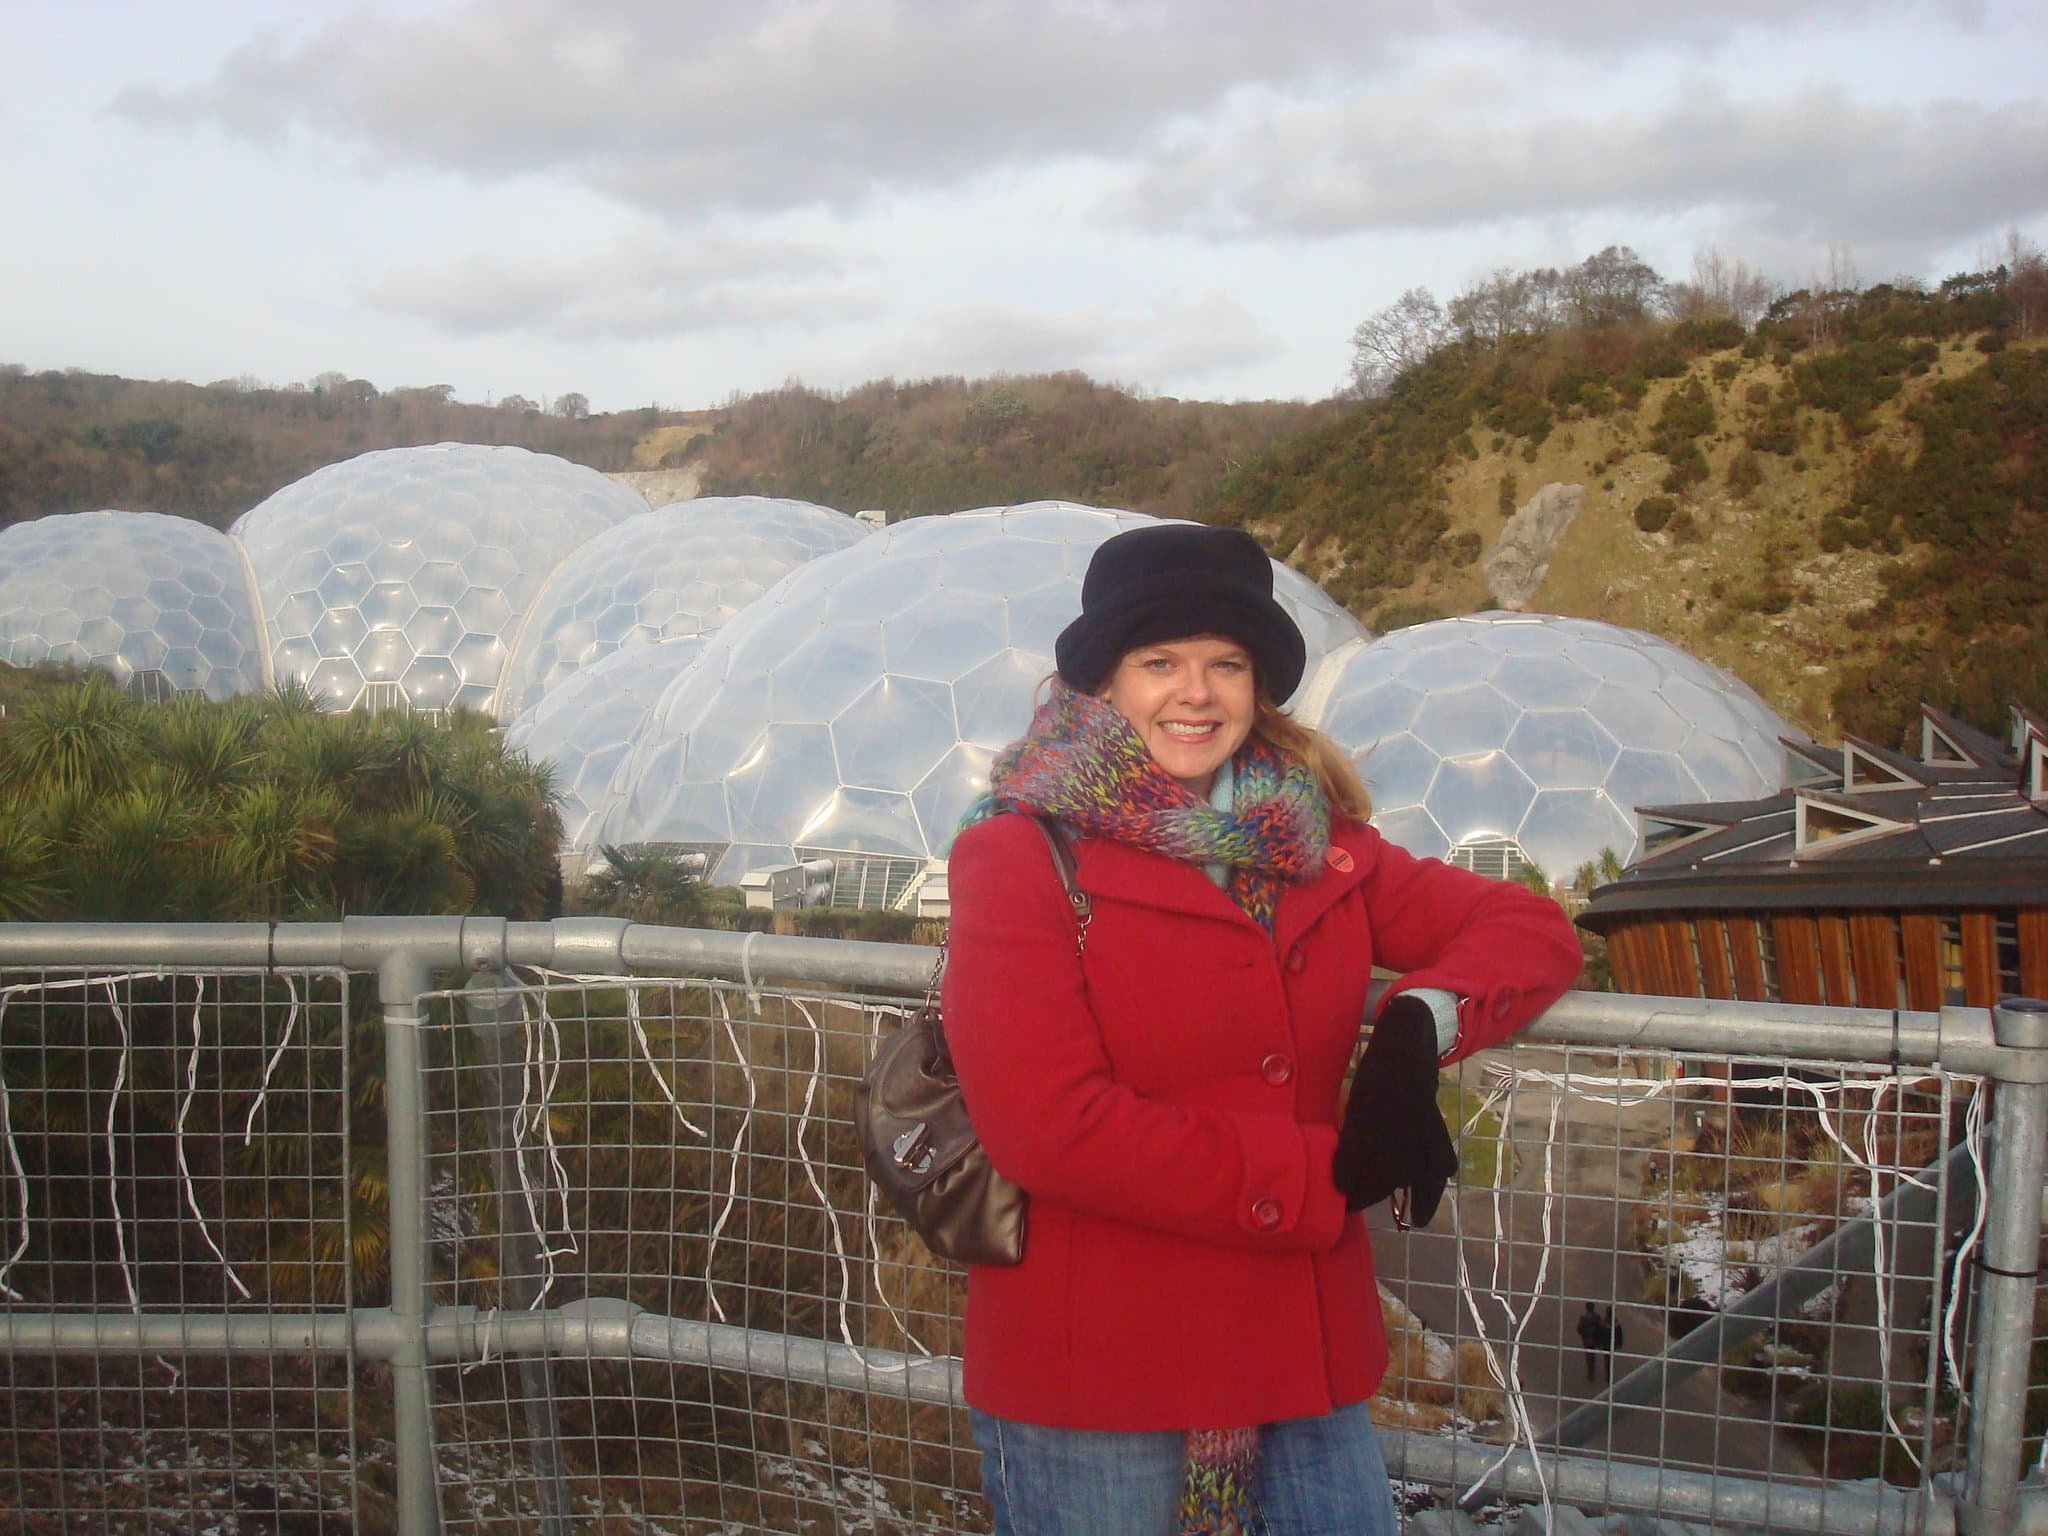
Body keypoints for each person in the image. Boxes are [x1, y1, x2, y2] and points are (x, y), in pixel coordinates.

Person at [944, 523, 1584, 1536]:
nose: (1193, 694)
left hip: (1294, 1358)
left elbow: (1524, 927)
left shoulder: (1319, 847)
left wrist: (1421, 1021)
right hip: (1098, 1371)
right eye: (1159, 663)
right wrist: (1302, 1179)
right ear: (1104, 684)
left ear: (1258, 685)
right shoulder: (1020, 854)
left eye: (1224, 665)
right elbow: (1043, 1124)